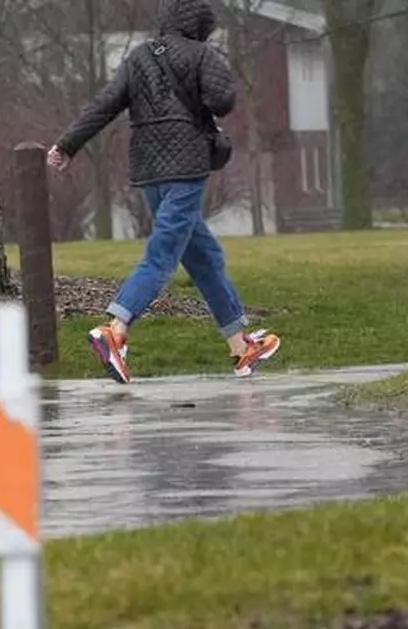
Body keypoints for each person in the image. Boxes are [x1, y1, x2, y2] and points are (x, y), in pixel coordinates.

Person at [46, 0, 280, 384]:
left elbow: (105, 104)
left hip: (149, 172)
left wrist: (67, 144)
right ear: (201, 26)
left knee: (205, 257)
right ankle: (115, 330)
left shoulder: (138, 58)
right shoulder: (203, 54)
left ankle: (241, 347)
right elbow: (224, 100)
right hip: (186, 167)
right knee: (163, 255)